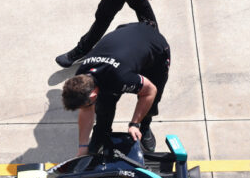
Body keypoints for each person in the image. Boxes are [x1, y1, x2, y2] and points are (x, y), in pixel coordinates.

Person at [60, 21, 170, 156]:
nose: (85, 108)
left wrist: (135, 123)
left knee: (152, 99)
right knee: (105, 104)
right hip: (125, 39)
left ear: (92, 94)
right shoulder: (82, 75)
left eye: (86, 104)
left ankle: (145, 125)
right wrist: (83, 146)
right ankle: (101, 132)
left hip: (155, 49)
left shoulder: (120, 78)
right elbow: (86, 110)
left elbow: (150, 91)